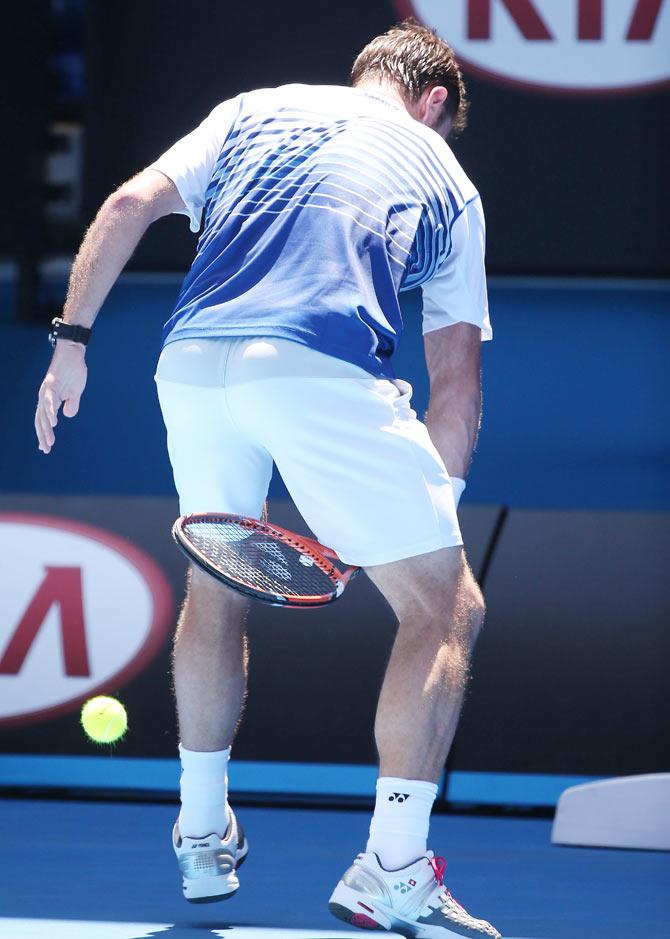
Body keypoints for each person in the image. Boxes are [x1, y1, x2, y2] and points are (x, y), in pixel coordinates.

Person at [35, 19, 500, 939]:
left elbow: (127, 204)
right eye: (445, 123)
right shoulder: (449, 178)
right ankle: (395, 870)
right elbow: (456, 382)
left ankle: (202, 833)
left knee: (215, 586)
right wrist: (423, 520)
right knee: (447, 607)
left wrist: (71, 344)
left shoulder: (252, 110)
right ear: (435, 103)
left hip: (190, 363)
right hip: (317, 366)